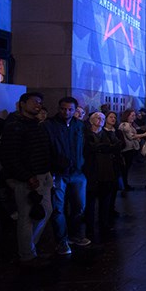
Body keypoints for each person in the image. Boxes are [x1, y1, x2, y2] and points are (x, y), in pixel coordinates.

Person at [0, 92, 54, 265]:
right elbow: (10, 156)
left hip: (43, 174)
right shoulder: (14, 126)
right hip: (29, 177)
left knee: (46, 210)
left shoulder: (37, 125)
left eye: (40, 102)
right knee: (26, 217)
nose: (38, 105)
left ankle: (30, 247)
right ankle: (27, 254)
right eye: (34, 102)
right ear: (22, 104)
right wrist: (26, 176)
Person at [44, 96, 90, 253]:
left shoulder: (79, 125)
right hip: (58, 172)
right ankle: (61, 240)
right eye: (63, 109)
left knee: (79, 206)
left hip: (77, 171)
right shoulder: (49, 125)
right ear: (59, 108)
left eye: (70, 109)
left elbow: (85, 147)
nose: (66, 112)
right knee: (58, 208)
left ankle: (75, 235)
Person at [83, 112, 121, 240]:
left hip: (107, 172)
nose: (101, 120)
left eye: (102, 118)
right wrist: (106, 147)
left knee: (105, 201)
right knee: (90, 203)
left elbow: (117, 146)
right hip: (92, 172)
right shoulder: (87, 135)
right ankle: (90, 228)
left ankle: (104, 225)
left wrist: (104, 148)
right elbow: (89, 149)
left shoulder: (108, 134)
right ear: (92, 120)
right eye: (98, 118)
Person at [118, 109, 146, 193]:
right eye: (132, 115)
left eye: (134, 115)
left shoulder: (128, 125)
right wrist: (144, 134)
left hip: (129, 148)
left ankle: (125, 184)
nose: (134, 117)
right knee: (125, 168)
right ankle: (125, 185)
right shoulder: (126, 125)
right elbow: (131, 136)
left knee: (126, 168)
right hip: (127, 149)